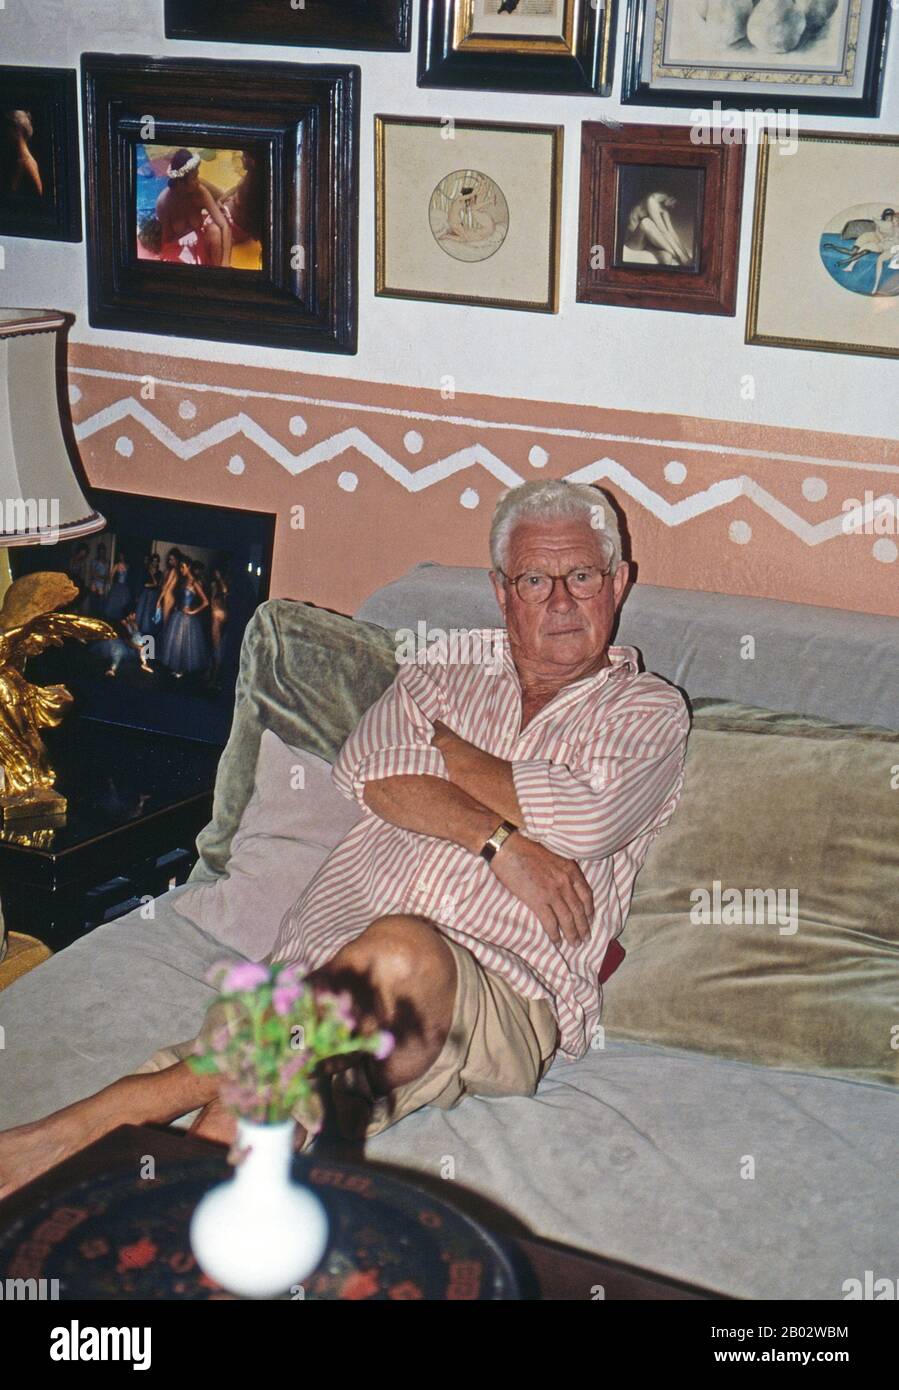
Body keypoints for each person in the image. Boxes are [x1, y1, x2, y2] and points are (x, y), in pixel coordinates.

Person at [0, 482, 690, 1194]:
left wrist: (448, 751)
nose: (561, 602)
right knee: (264, 1095)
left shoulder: (647, 711)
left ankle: (107, 1115)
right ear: (500, 591)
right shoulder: (443, 667)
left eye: (581, 576)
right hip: (317, 967)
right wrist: (502, 844)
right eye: (535, 580)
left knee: (400, 952)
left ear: (617, 582)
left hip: (497, 995)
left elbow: (584, 819)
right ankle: (165, 1215)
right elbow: (370, 770)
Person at [155, 149, 232, 268]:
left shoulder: (200, 192)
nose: (198, 181)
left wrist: (225, 261)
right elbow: (166, 240)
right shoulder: (164, 203)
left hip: (200, 242)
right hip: (179, 250)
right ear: (180, 183)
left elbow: (224, 226)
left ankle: (217, 273)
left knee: (216, 232)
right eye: (194, 178)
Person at [159, 558, 210, 677]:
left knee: (186, 643)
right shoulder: (183, 580)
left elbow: (206, 602)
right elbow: (181, 597)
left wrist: (193, 611)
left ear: (189, 567)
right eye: (180, 567)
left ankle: (182, 669)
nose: (181, 569)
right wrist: (177, 606)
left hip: (188, 618)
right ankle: (177, 668)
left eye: (183, 567)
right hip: (178, 615)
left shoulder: (194, 582)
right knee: (177, 642)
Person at [624, 191, 693, 267]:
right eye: (674, 204)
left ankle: (681, 258)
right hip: (634, 241)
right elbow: (663, 231)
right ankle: (680, 257)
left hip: (647, 243)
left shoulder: (665, 210)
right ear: (671, 198)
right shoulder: (651, 200)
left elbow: (671, 232)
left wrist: (685, 254)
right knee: (646, 222)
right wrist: (679, 255)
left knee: (666, 257)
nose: (673, 207)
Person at [0, 110, 42, 199]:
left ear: (18, 130)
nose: (4, 132)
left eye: (9, 127)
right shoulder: (18, 159)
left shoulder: (26, 162)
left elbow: (38, 196)